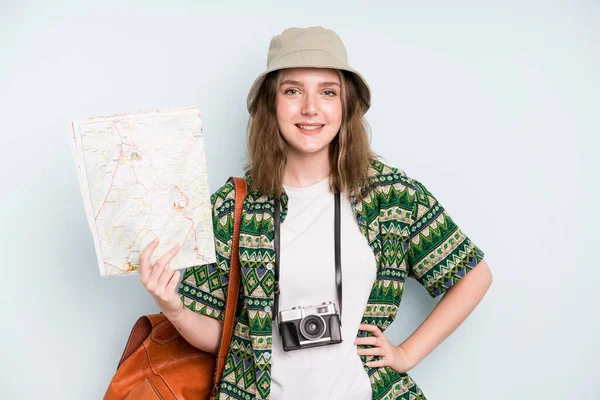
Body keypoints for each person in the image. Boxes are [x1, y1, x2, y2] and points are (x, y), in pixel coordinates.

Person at [138, 26, 492, 400]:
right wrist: (173, 308)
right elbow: (220, 338)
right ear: (270, 104)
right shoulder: (233, 206)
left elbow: (474, 276)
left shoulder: (390, 197)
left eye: (328, 92)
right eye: (293, 91)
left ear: (346, 105)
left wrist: (406, 354)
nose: (310, 107)